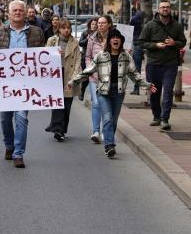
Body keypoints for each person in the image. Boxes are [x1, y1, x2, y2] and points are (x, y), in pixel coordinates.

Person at [70, 30, 155, 157]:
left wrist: (147, 85)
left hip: (118, 92)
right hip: (104, 92)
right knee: (108, 118)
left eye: (118, 38)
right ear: (109, 41)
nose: (115, 40)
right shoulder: (101, 55)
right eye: (113, 38)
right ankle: (109, 145)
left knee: (113, 121)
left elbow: (134, 74)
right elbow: (87, 72)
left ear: (121, 41)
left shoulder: (126, 56)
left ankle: (108, 139)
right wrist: (74, 82)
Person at [0, 0, 45, 169]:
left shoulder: (37, 32)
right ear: (9, 13)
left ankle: (18, 153)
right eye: (15, 10)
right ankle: (9, 145)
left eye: (21, 10)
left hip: (25, 84)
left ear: (26, 13)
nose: (18, 13)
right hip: (4, 84)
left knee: (21, 118)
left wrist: (55, 55)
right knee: (5, 118)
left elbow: (42, 56)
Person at [138, 0, 187, 131]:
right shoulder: (150, 25)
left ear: (170, 9)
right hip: (154, 64)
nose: (165, 9)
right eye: (163, 7)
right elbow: (141, 42)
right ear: (158, 10)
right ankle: (156, 117)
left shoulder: (176, 26)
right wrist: (155, 45)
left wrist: (174, 43)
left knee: (168, 92)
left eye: (167, 7)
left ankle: (165, 119)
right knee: (154, 92)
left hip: (170, 64)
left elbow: (183, 42)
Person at [45, 19, 81, 142]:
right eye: (64, 28)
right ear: (59, 29)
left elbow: (77, 61)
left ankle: (61, 129)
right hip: (55, 74)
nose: (66, 30)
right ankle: (57, 129)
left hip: (69, 75)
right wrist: (54, 53)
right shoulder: (52, 40)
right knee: (57, 102)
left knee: (67, 104)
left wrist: (75, 77)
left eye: (68, 28)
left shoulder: (75, 42)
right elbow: (44, 56)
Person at [86, 15, 112, 143]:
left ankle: (105, 131)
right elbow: (88, 56)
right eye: (99, 23)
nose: (99, 25)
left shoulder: (114, 38)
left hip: (110, 77)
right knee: (96, 103)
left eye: (103, 23)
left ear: (109, 24)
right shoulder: (92, 38)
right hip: (94, 77)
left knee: (107, 105)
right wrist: (91, 70)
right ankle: (96, 131)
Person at [129, 9, 145, 94]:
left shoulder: (134, 18)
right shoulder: (149, 18)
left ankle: (136, 88)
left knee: (137, 67)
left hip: (137, 43)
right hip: (147, 44)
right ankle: (149, 90)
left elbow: (130, 29)